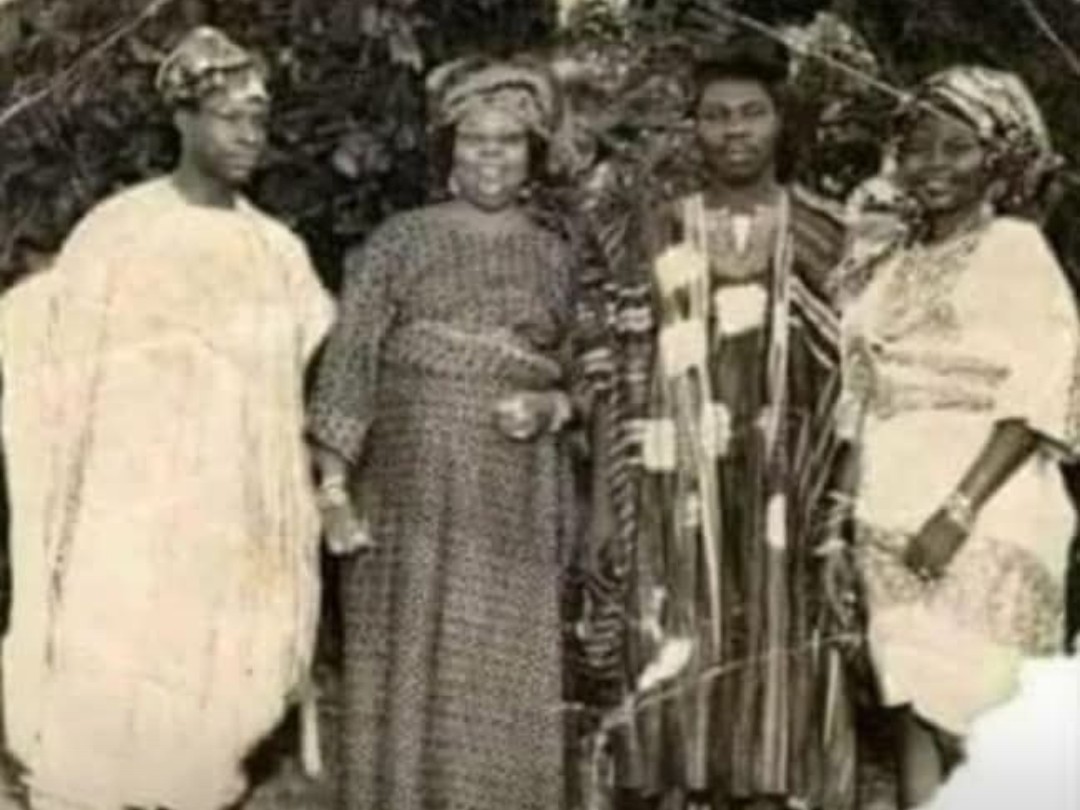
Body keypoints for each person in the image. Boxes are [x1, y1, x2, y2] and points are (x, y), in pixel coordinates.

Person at [0, 26, 333, 810]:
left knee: (222, 676)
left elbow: (301, 370)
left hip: (231, 499)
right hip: (133, 493)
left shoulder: (276, 249)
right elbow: (53, 345)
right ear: (184, 119)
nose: (249, 136)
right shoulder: (121, 229)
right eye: (230, 118)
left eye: (258, 120)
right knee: (122, 652)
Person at [306, 57, 578, 810]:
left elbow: (590, 371)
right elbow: (351, 358)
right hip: (408, 485)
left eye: (509, 142)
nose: (492, 156)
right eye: (475, 140)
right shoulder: (399, 240)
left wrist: (553, 406)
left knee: (497, 659)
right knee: (410, 649)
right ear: (449, 149)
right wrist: (334, 488)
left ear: (533, 153)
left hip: (514, 492)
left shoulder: (558, 254)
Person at [601, 36, 855, 810]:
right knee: (675, 637)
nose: (733, 131)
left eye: (751, 113)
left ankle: (773, 789)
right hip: (675, 480)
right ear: (695, 127)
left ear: (781, 122)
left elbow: (857, 379)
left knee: (783, 638)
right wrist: (613, 497)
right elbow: (619, 362)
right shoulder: (654, 231)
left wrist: (839, 497)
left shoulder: (828, 234)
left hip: (789, 482)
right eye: (715, 116)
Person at [838, 65, 1076, 808]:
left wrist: (959, 510)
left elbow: (1037, 393)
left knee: (980, 720)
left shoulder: (1015, 248)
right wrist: (839, 519)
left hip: (987, 510)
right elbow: (859, 396)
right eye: (918, 147)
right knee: (913, 707)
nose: (932, 164)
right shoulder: (891, 263)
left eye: (956, 147)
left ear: (996, 158)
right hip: (887, 508)